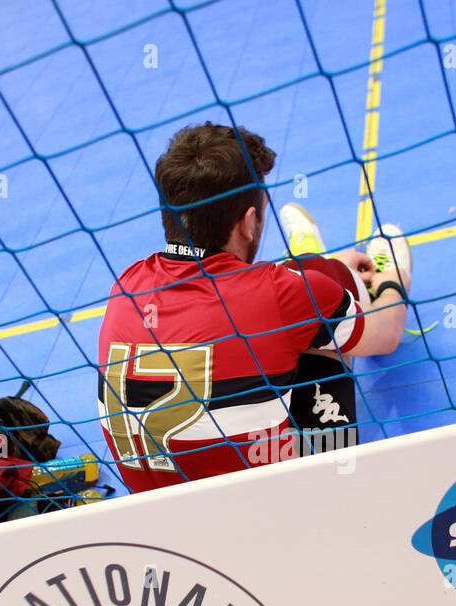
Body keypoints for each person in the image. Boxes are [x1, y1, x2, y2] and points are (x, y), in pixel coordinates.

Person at [96, 121, 412, 494]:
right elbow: (388, 334)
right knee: (316, 305)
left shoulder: (127, 284)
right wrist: (393, 280)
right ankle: (333, 265)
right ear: (249, 222)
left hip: (156, 525)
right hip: (274, 512)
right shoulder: (282, 294)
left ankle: (315, 258)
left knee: (295, 305)